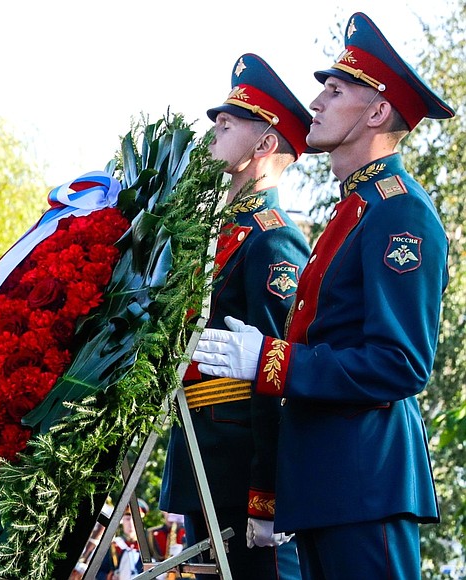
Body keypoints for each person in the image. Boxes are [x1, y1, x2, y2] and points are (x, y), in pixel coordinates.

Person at [192, 13, 454, 579]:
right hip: (326, 484)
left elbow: (399, 363)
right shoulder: (353, 211)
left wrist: (267, 360)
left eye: (335, 91)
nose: (316, 101)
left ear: (378, 112)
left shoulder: (398, 211)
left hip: (365, 481)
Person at [159, 53, 312, 579]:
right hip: (202, 449)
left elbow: (276, 372)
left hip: (241, 461)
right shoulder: (216, 232)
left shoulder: (274, 239)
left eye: (230, 123)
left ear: (265, 145)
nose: (214, 129)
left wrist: (266, 495)